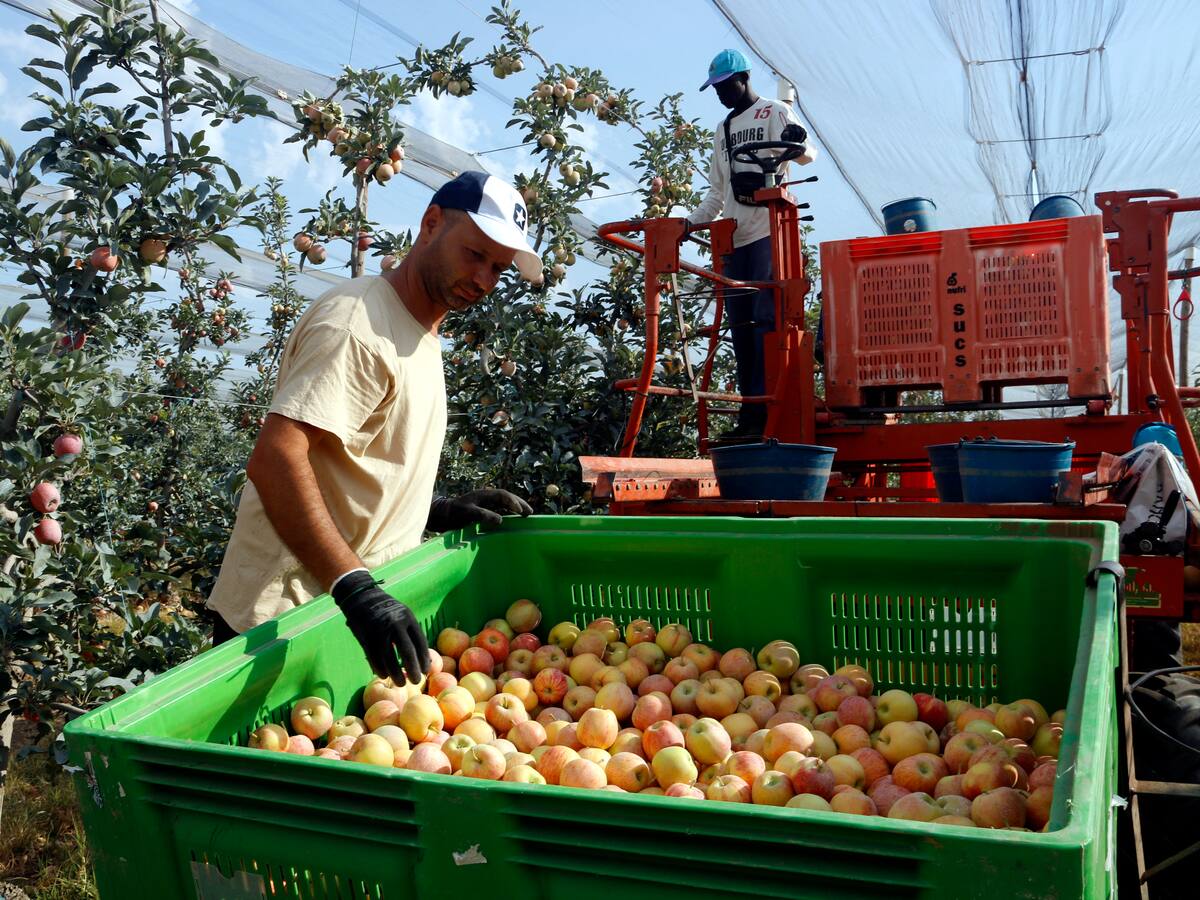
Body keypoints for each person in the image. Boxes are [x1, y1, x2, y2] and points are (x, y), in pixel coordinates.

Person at [206, 171, 541, 685]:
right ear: (430, 225)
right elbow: (276, 459)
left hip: (336, 616)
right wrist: (356, 588)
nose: (483, 280)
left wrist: (433, 510)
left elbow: (354, 462)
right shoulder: (357, 325)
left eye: (498, 268)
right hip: (279, 625)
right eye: (475, 254)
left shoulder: (419, 327)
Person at [686, 49, 817, 439]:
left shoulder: (774, 112)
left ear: (743, 78)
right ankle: (751, 413)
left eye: (725, 86)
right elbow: (716, 193)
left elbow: (806, 152)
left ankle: (769, 413)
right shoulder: (722, 130)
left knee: (766, 322)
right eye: (715, 89)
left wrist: (787, 149)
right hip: (734, 237)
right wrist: (688, 223)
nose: (721, 94)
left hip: (767, 232)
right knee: (741, 328)